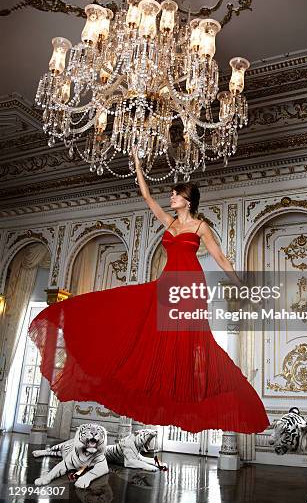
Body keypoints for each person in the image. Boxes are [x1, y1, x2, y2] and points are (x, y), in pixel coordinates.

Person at [27, 148, 270, 434]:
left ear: (187, 200)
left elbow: (220, 257)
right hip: (167, 282)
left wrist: (241, 284)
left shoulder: (201, 226)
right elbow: (147, 197)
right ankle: (157, 386)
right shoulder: (170, 222)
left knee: (192, 338)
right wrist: (138, 166)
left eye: (176, 195)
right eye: (171, 194)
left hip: (190, 284)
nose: (171, 197)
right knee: (139, 320)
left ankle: (204, 389)